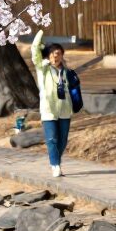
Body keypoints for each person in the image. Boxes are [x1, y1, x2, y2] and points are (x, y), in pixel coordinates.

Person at [30, 29, 80, 177]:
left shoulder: (67, 72)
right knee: (52, 138)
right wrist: (39, 37)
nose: (55, 56)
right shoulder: (43, 69)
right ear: (48, 55)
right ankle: (55, 165)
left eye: (58, 53)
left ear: (62, 56)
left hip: (64, 109)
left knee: (63, 140)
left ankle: (57, 161)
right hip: (48, 110)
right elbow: (35, 53)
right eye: (53, 53)